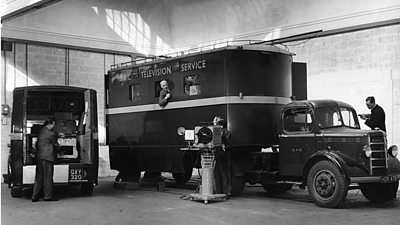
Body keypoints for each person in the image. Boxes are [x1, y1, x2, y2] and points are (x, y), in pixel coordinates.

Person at [32, 119, 59, 202]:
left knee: (39, 177)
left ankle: (34, 196)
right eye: (53, 124)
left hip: (40, 157)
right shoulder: (51, 134)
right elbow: (56, 145)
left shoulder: (41, 131)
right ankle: (48, 196)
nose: (54, 126)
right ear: (49, 124)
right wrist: (60, 151)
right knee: (48, 177)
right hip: (47, 157)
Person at [213, 116, 232, 198]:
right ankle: (225, 193)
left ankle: (219, 192)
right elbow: (229, 145)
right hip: (223, 155)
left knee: (219, 173)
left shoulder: (218, 131)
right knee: (224, 173)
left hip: (220, 155)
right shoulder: (225, 132)